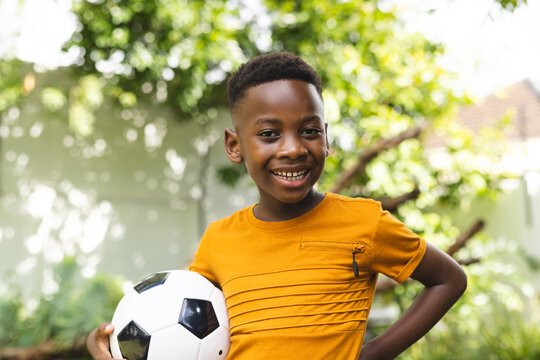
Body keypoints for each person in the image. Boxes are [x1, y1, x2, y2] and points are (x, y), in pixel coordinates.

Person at [87, 52, 467, 360]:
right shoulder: (219, 241)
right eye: (269, 134)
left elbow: (449, 278)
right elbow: (187, 335)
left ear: (326, 138)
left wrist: (373, 353)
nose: (292, 148)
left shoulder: (364, 223)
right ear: (235, 146)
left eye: (309, 130)